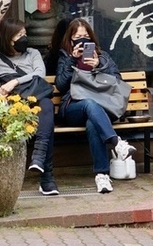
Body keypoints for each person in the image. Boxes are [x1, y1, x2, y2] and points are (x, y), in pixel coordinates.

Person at [0, 18, 59, 196]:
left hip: (37, 103)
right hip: (15, 108)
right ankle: (46, 177)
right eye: (20, 35)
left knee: (45, 107)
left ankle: (39, 158)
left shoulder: (33, 54)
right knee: (47, 114)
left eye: (25, 35)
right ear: (8, 39)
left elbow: (39, 74)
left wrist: (14, 81)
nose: (24, 39)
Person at [54, 18, 133, 194]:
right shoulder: (65, 57)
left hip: (102, 108)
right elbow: (60, 85)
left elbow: (117, 80)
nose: (82, 40)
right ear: (70, 39)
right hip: (74, 107)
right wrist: (72, 61)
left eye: (85, 36)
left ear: (91, 38)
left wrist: (99, 66)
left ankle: (102, 176)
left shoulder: (103, 56)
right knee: (89, 104)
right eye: (77, 37)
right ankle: (116, 142)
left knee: (92, 123)